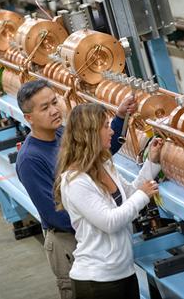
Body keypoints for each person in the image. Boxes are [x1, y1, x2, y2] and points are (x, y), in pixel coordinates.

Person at [15, 80, 136, 299]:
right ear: (28, 118)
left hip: (89, 233)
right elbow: (55, 214)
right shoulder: (30, 159)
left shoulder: (61, 133)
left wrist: (118, 119)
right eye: (45, 108)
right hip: (68, 243)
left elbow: (95, 150)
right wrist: (105, 217)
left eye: (54, 102)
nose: (54, 110)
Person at [54, 103, 162, 299]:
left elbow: (129, 194)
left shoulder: (104, 165)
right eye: (106, 126)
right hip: (97, 282)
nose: (112, 131)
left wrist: (152, 163)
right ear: (89, 133)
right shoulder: (75, 181)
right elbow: (109, 222)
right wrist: (143, 196)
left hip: (124, 272)